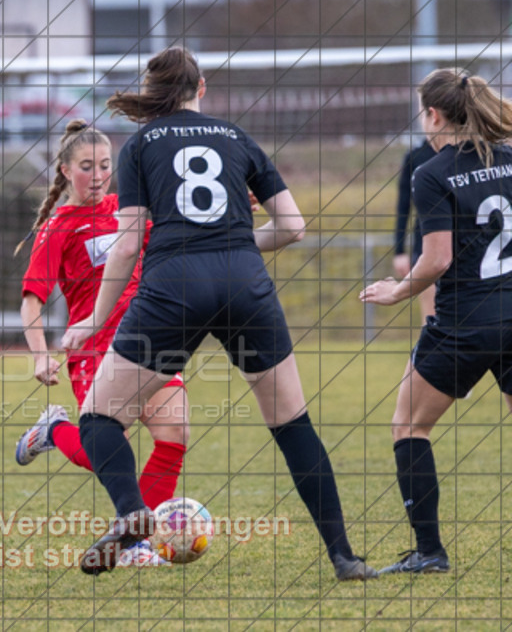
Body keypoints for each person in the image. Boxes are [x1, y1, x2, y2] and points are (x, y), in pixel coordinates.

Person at [61, 47, 376, 580]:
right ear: (201, 87)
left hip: (173, 287)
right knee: (294, 426)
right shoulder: (236, 137)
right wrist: (234, 243)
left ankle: (131, 511)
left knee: (97, 419)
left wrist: (93, 319)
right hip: (244, 284)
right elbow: (293, 226)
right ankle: (344, 557)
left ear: (154, 91)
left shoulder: (139, 146)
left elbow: (128, 241)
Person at [14, 119, 189, 567]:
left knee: (173, 435)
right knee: (112, 454)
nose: (98, 175)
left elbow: (176, 224)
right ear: (66, 170)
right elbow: (31, 301)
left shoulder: (127, 209)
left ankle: (136, 545)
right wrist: (40, 356)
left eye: (106, 165)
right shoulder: (59, 227)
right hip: (95, 349)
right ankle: (54, 431)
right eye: (87, 166)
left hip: (149, 337)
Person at [361, 68, 512, 575]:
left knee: (409, 424)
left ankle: (429, 553)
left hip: (465, 322)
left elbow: (438, 259)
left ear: (434, 114)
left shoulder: (432, 171)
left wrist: (397, 291)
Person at [393, 139, 438, 323]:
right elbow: (403, 207)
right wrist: (399, 251)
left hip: (463, 247)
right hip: (426, 248)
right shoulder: (416, 157)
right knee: (431, 318)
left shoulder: (466, 155)